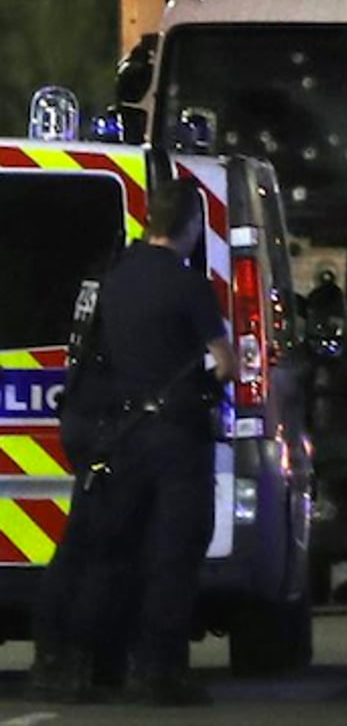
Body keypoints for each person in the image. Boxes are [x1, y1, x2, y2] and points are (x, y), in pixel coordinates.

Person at [31, 177, 236, 705]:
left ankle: (72, 663)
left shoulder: (113, 275)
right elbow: (225, 363)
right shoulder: (190, 285)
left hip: (115, 435)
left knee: (98, 550)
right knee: (171, 555)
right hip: (174, 439)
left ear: (149, 219)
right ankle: (157, 672)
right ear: (192, 224)